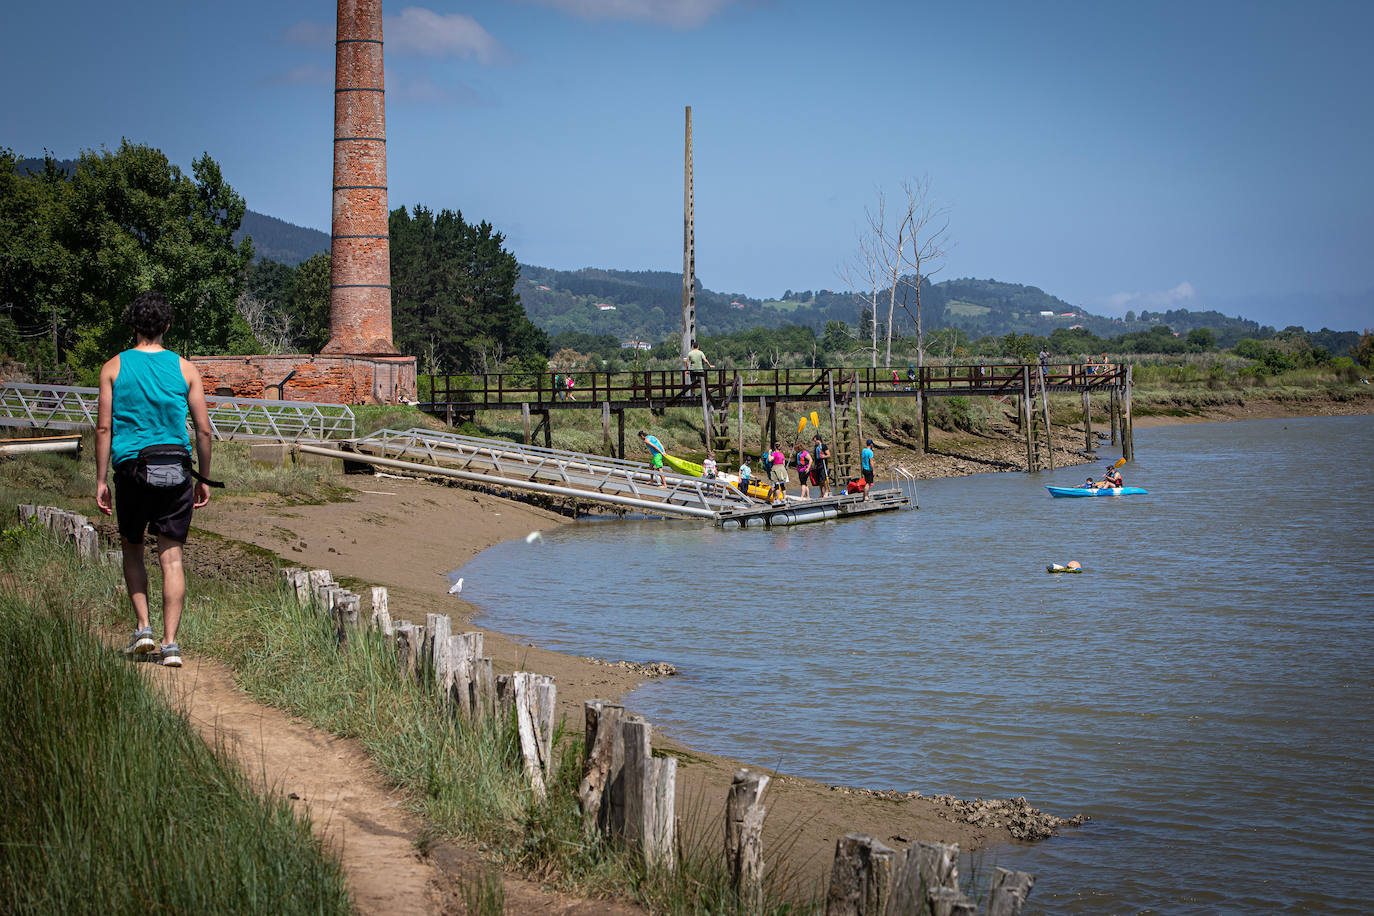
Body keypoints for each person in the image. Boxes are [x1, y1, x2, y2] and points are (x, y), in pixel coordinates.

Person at [95, 291, 213, 669]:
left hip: (131, 470)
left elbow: (103, 428)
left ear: (132, 324)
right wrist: (204, 478)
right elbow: (204, 431)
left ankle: (143, 628)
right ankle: (171, 644)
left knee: (132, 548)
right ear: (166, 326)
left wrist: (101, 480)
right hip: (176, 470)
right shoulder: (186, 369)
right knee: (172, 558)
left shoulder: (113, 368)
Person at [812, 434, 832, 498]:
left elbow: (829, 455)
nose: (814, 442)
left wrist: (824, 456)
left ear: (818, 440)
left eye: (815, 441)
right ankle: (821, 493)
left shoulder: (823, 446)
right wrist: (814, 465)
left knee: (823, 479)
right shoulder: (815, 447)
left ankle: (826, 491)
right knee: (819, 481)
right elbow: (815, 457)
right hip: (817, 465)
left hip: (823, 465)